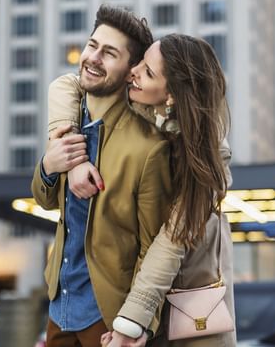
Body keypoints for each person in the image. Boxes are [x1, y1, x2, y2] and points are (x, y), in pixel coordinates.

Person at [46, 34, 236, 347]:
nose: (133, 71)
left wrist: (132, 321)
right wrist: (72, 156)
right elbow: (65, 85)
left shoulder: (210, 156)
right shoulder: (135, 103)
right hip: (130, 289)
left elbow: (171, 242)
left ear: (171, 95)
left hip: (189, 298)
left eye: (147, 71)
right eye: (140, 61)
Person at [31, 4, 173, 347]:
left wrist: (138, 325)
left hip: (109, 319)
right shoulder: (66, 123)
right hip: (59, 308)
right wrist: (50, 166)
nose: (93, 57)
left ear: (130, 72)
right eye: (93, 45)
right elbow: (45, 198)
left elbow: (153, 248)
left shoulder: (150, 147)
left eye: (109, 53)